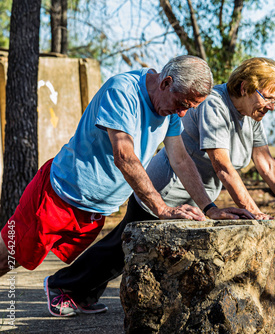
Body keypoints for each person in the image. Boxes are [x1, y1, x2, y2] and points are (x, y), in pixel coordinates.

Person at [44, 57, 275, 317]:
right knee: (122, 249)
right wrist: (254, 213)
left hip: (197, 196)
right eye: (267, 97)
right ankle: (62, 285)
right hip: (164, 189)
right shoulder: (214, 105)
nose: (270, 105)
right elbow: (223, 166)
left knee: (134, 250)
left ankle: (82, 292)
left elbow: (266, 163)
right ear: (244, 87)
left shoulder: (250, 116)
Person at [0, 55, 251, 316]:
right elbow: (124, 155)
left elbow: (181, 159)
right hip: (58, 196)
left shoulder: (171, 111)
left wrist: (209, 208)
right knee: (9, 256)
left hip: (93, 209)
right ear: (166, 83)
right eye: (181, 104)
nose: (183, 113)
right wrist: (162, 209)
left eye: (188, 107)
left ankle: (77, 293)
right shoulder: (122, 91)